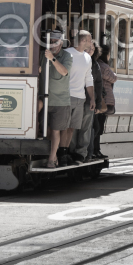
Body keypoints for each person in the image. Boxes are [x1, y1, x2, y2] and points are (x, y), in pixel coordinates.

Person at [36, 30, 72, 168]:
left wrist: (52, 58)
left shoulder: (67, 56)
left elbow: (64, 72)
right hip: (44, 99)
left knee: (56, 130)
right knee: (47, 130)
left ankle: (51, 158)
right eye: (50, 42)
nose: (52, 44)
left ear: (61, 43)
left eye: (55, 42)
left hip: (60, 101)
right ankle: (51, 155)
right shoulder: (42, 55)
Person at [67, 31, 96, 162]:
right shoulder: (67, 53)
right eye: (90, 40)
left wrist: (92, 98)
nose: (91, 43)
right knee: (66, 127)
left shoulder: (87, 57)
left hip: (80, 97)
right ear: (84, 40)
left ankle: (76, 154)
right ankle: (67, 151)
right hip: (66, 96)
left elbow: (88, 79)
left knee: (74, 127)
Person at [94, 44, 117, 158]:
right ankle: (95, 150)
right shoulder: (103, 66)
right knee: (98, 127)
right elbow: (114, 78)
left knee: (97, 127)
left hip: (100, 99)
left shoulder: (97, 64)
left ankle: (96, 150)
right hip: (104, 100)